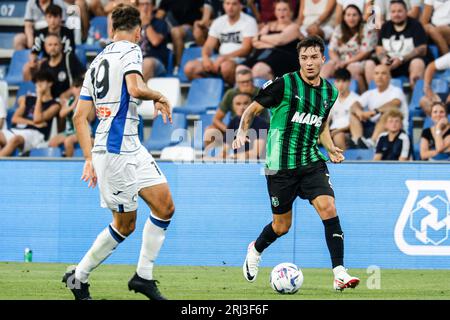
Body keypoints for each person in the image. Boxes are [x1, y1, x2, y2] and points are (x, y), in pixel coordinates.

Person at [61, 4, 174, 300]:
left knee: (164, 206)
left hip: (130, 147)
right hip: (115, 151)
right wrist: (159, 95)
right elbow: (135, 89)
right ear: (138, 31)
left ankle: (143, 277)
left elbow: (79, 117)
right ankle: (79, 276)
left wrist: (88, 157)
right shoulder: (131, 50)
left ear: (111, 30)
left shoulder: (97, 62)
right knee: (125, 225)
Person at [233, 36, 360, 291]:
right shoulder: (284, 84)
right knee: (282, 226)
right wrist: (241, 132)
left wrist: (330, 145)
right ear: (299, 60)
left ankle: (339, 272)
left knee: (328, 207)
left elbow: (321, 124)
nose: (309, 62)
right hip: (279, 166)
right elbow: (252, 110)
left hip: (311, 161)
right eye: (304, 58)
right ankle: (255, 249)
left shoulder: (330, 92)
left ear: (323, 58)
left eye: (314, 57)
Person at [184, 0, 258, 85]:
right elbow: (208, 45)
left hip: (240, 59)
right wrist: (205, 58)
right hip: (220, 58)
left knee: (226, 67)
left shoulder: (249, 21)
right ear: (223, 5)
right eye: (227, 3)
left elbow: (246, 49)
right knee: (189, 68)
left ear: (241, 6)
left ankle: (232, 94)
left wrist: (224, 58)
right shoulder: (218, 21)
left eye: (234, 4)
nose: (230, 7)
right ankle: (211, 91)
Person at [0, 70, 61, 157]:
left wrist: (39, 96)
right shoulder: (28, 99)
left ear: (50, 83)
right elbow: (15, 118)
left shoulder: (54, 105)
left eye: (42, 81)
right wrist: (32, 123)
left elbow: (37, 118)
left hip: (36, 135)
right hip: (18, 130)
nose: (38, 84)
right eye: (37, 82)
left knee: (15, 140)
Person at [320, 4, 378, 93]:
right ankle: (321, 98)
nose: (351, 18)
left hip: (359, 60)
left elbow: (365, 52)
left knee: (352, 69)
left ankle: (364, 97)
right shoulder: (339, 29)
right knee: (327, 67)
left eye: (354, 15)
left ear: (360, 17)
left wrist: (346, 62)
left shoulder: (367, 29)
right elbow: (331, 49)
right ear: (344, 17)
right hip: (341, 60)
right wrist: (337, 61)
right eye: (348, 15)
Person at [349, 64, 408, 149]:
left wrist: (374, 112)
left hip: (394, 128)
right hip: (372, 127)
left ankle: (372, 142)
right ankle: (357, 140)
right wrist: (360, 113)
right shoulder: (370, 93)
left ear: (389, 77)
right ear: (373, 76)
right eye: (376, 73)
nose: (379, 76)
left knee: (387, 114)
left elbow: (395, 103)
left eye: (383, 73)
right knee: (353, 115)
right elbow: (354, 105)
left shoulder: (396, 91)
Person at [239, 0, 301, 80]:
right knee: (240, 69)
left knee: (258, 70)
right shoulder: (269, 25)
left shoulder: (294, 27)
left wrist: (261, 38)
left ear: (291, 12)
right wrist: (273, 43)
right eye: (278, 10)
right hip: (264, 55)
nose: (281, 12)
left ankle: (274, 88)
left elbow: (279, 40)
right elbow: (254, 41)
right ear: (275, 12)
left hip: (284, 58)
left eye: (284, 9)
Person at [373, 0, 428, 87]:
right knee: (371, 65)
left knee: (418, 63)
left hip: (409, 62)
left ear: (406, 12)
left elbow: (422, 49)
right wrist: (385, 61)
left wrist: (401, 59)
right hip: (390, 63)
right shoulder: (385, 26)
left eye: (400, 11)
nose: (396, 14)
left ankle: (416, 98)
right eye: (393, 12)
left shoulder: (415, 25)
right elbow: (379, 49)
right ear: (390, 13)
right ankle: (378, 97)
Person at [23, 4, 76, 82]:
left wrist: (51, 60)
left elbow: (70, 52)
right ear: (46, 18)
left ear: (61, 18)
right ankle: (31, 91)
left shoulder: (68, 33)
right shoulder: (40, 33)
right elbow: (34, 51)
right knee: (27, 67)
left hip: (63, 62)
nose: (52, 20)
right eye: (50, 17)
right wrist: (33, 61)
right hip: (45, 62)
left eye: (55, 17)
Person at [47, 78, 94, 157]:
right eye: (76, 86)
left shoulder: (89, 101)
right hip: (69, 131)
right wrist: (73, 105)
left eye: (81, 87)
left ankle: (68, 165)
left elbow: (91, 118)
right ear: (72, 89)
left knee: (68, 141)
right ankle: (57, 164)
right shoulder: (69, 102)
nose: (79, 89)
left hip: (84, 131)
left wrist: (82, 105)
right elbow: (61, 114)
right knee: (52, 142)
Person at [156, 0, 204, 72]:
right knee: (175, 31)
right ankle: (177, 67)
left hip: (195, 28)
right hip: (174, 31)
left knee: (176, 31)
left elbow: (206, 13)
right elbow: (159, 16)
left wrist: (200, 24)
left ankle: (181, 66)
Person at [219, 92, 268, 160]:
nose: (242, 107)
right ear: (233, 107)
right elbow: (224, 150)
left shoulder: (261, 123)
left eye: (245, 103)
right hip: (238, 161)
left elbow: (256, 153)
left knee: (243, 156)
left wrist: (234, 156)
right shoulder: (233, 122)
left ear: (251, 106)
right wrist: (223, 155)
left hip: (259, 163)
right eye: (238, 104)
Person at [37, 33, 86, 100]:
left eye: (56, 44)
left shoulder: (69, 58)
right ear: (45, 47)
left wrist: (70, 92)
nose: (53, 48)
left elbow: (84, 76)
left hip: (70, 100)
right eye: (50, 45)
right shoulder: (44, 65)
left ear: (61, 46)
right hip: (52, 103)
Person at [138, 0, 171, 80]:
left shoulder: (161, 23)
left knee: (147, 63)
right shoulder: (134, 25)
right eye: (142, 4)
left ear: (153, 7)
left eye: (147, 4)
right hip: (138, 60)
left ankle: (139, 92)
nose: (145, 7)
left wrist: (146, 24)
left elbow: (155, 41)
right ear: (138, 7)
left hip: (156, 61)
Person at [329, 68, 360, 150]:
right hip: (332, 130)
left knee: (338, 136)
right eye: (338, 81)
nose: (340, 85)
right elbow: (328, 118)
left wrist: (337, 131)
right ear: (334, 82)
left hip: (347, 132)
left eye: (344, 81)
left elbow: (355, 123)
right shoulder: (331, 99)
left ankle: (343, 161)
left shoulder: (356, 99)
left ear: (349, 82)